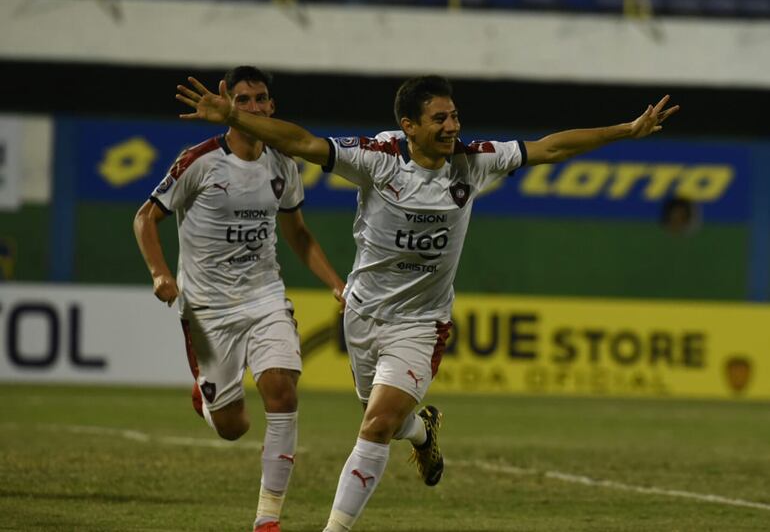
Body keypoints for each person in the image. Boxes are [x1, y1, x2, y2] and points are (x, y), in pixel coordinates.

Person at [175, 74, 679, 532]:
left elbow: (550, 148)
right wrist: (236, 117)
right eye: (439, 118)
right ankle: (422, 430)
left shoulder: (473, 161)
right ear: (408, 126)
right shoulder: (377, 158)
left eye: (454, 116)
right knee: (387, 421)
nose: (452, 126)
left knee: (374, 425)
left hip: (421, 323)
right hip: (364, 315)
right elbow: (304, 143)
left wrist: (626, 130)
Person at [134, 66, 346, 532]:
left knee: (281, 388)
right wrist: (159, 273)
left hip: (264, 297)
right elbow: (145, 219)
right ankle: (207, 399)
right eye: (244, 99)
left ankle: (267, 519)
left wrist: (336, 283)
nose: (254, 107)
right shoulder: (200, 160)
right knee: (233, 427)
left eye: (261, 99)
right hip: (208, 310)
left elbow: (299, 234)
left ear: (272, 107)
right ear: (230, 103)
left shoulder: (284, 164)